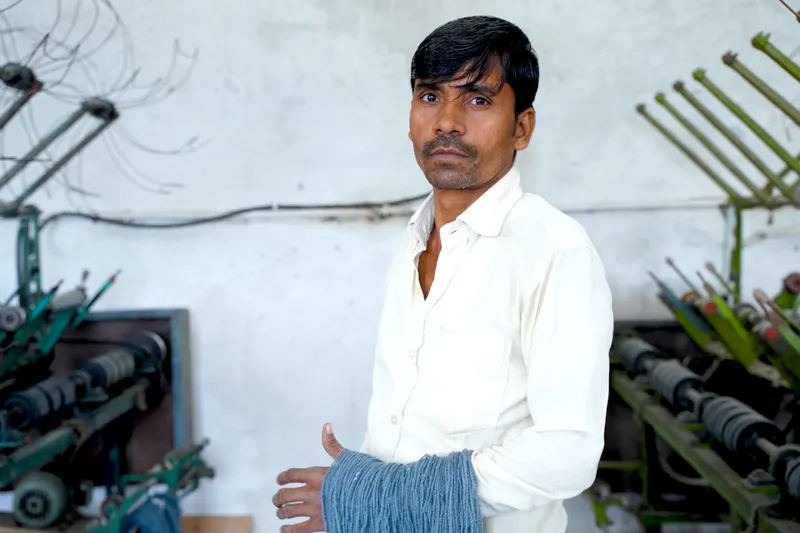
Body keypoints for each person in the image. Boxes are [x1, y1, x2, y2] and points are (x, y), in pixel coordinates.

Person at [271, 15, 614, 533]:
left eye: (477, 100)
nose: (447, 121)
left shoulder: (553, 250)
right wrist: (364, 506)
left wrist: (374, 497)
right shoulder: (411, 239)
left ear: (522, 127)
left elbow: (567, 452)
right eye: (430, 96)